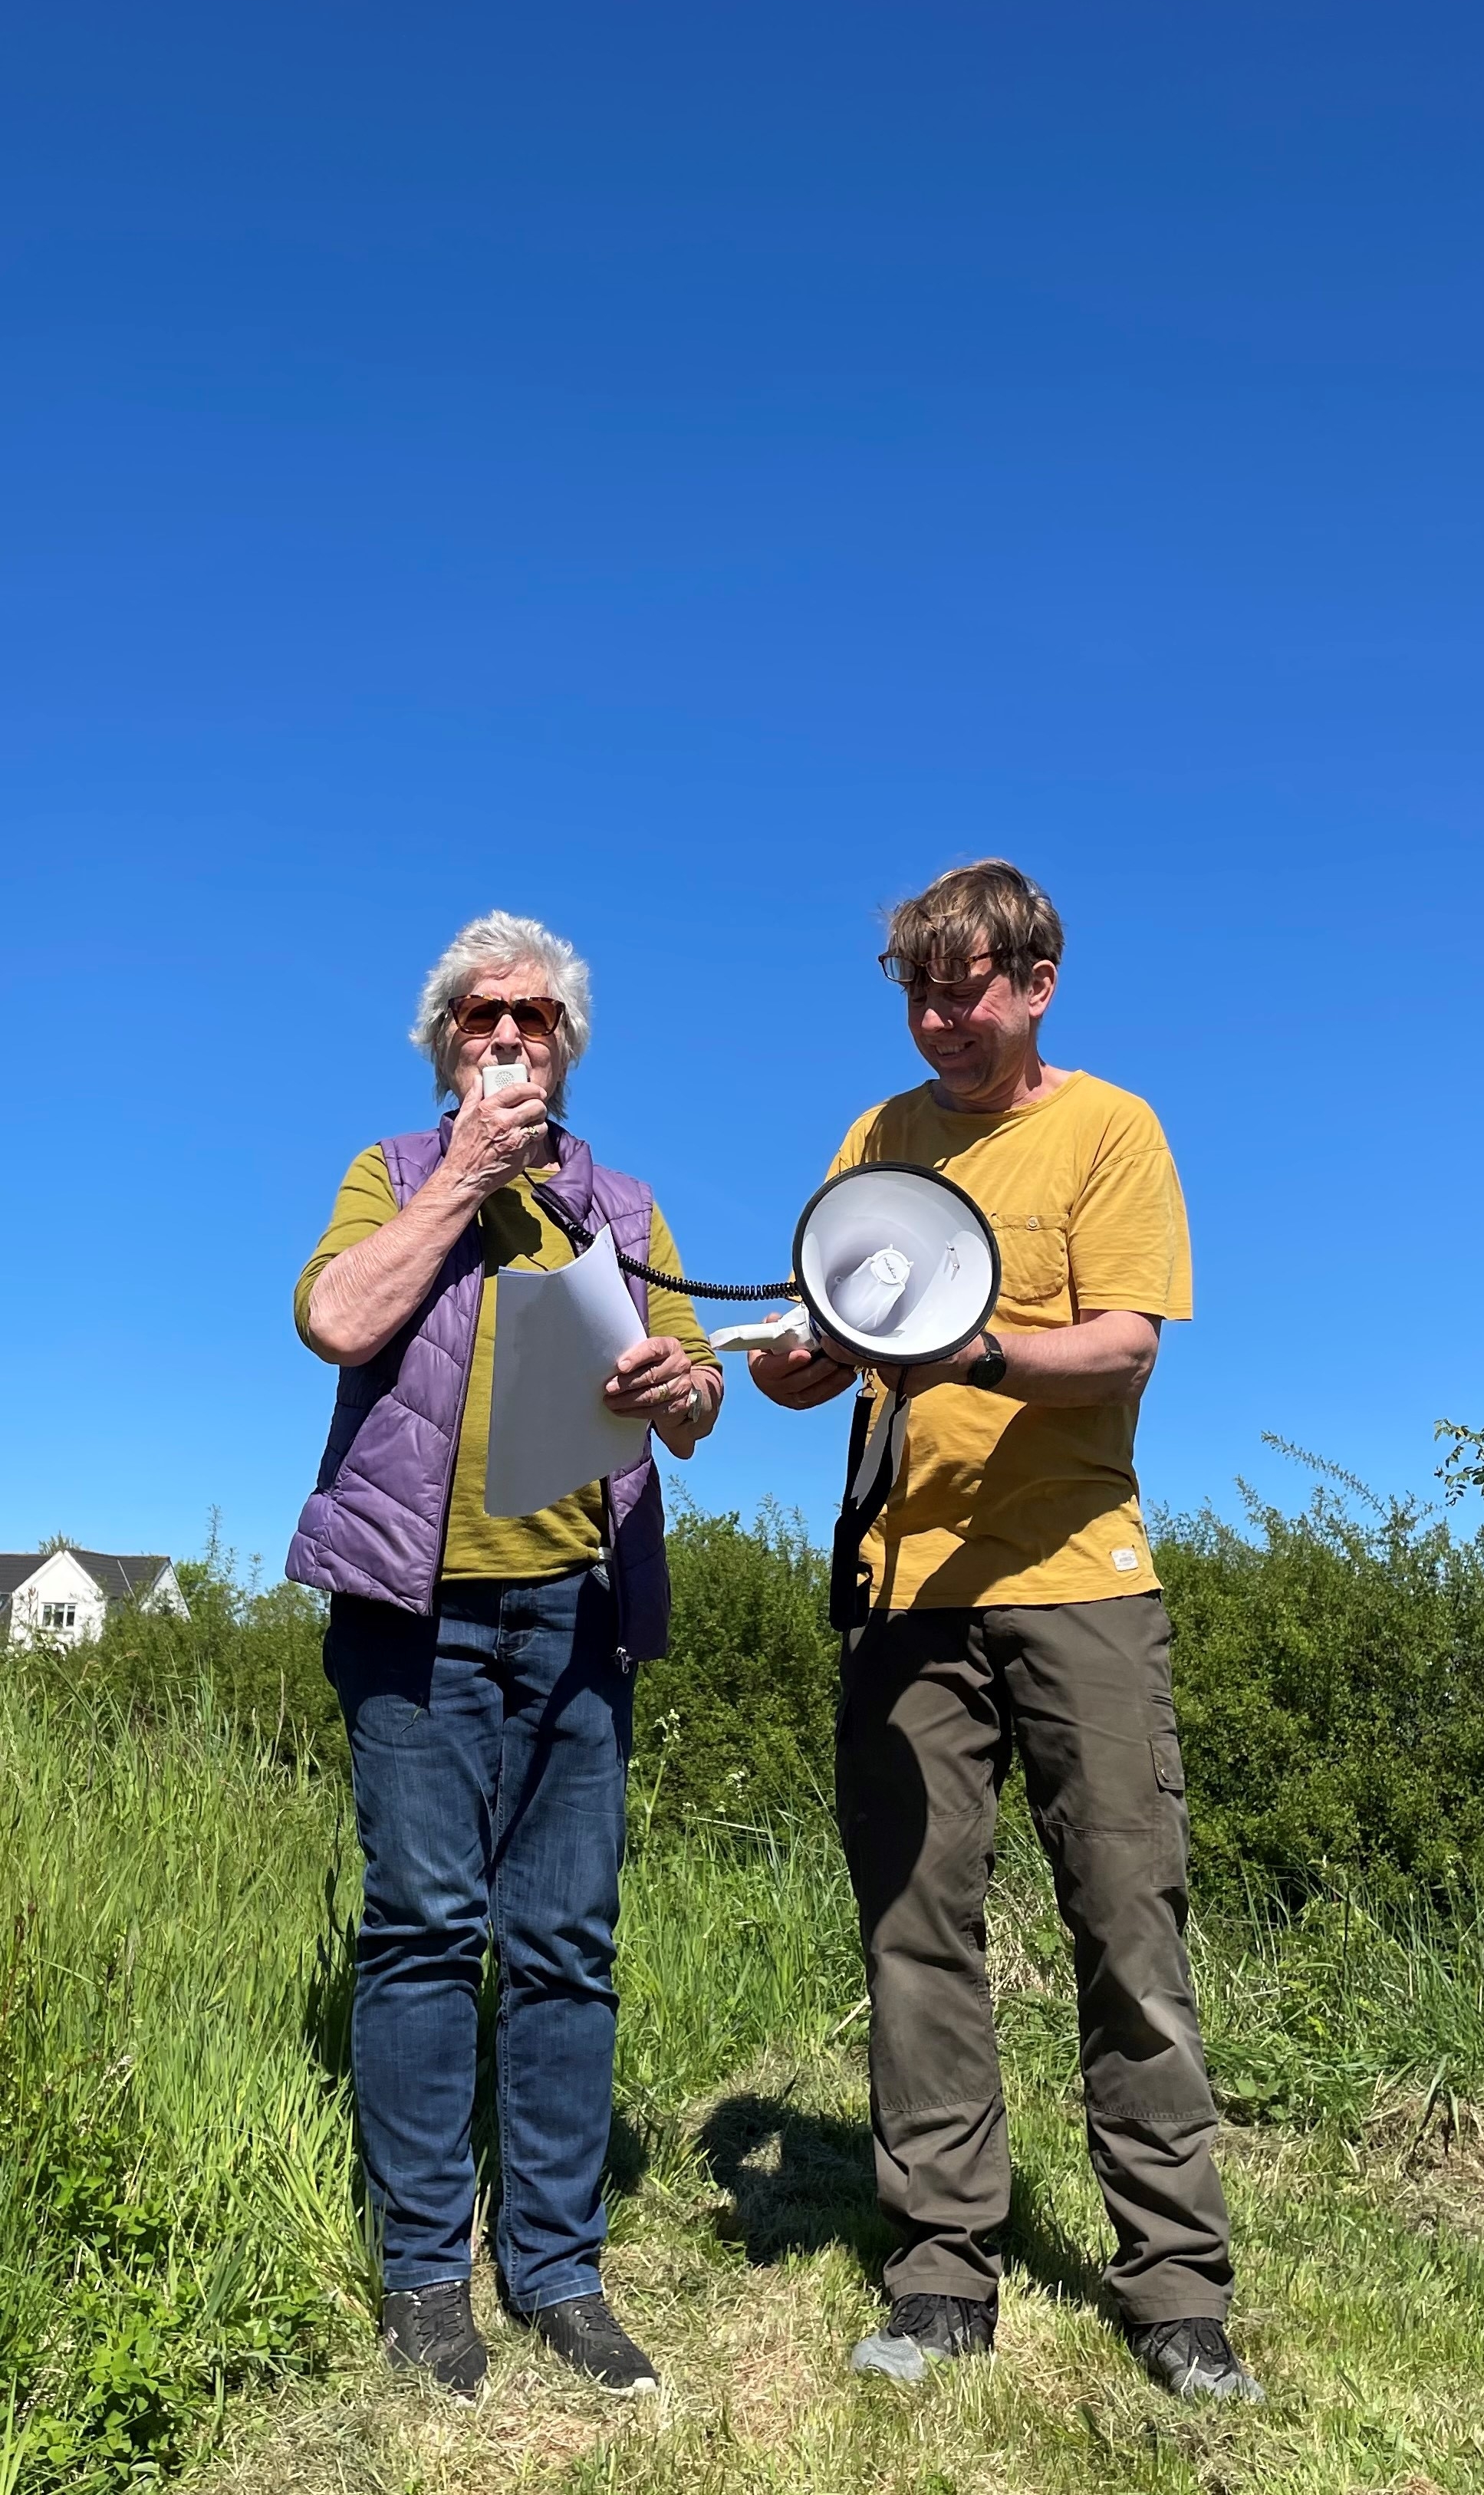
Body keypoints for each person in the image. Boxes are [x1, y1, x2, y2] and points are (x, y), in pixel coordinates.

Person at [749, 860, 1261, 2404]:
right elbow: (823, 1344)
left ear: (1037, 983)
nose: (938, 1021)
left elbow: (1122, 1349)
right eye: (916, 995)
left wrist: (974, 1352)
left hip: (1078, 1578)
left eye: (963, 992)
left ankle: (1175, 2290)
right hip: (904, 1592)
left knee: (1128, 1927)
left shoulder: (1111, 1130)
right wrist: (793, 1365)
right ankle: (939, 2275)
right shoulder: (875, 1143)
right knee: (918, 1934)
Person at [287, 910, 721, 2401]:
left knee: (565, 1944)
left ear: (568, 1045)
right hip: (408, 1611)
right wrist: (465, 1177)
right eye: (482, 1015)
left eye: (534, 1017)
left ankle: (557, 2272)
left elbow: (699, 1403)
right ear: (445, 1044)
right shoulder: (390, 1174)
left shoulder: (624, 1205)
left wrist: (678, 1388)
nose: (510, 1034)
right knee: (421, 1931)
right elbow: (337, 1320)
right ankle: (424, 2275)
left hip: (576, 1611)